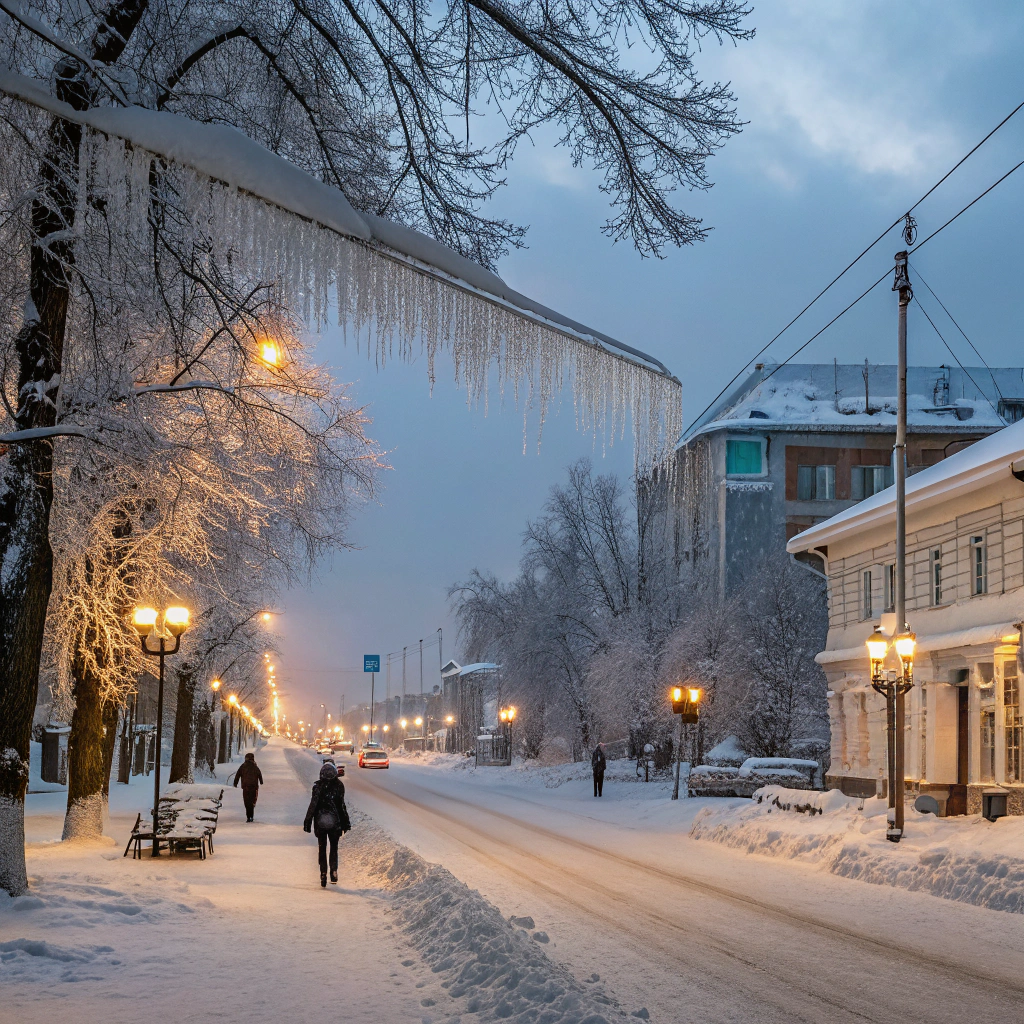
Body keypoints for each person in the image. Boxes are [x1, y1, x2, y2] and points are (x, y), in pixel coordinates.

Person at [303, 762, 351, 887]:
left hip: (320, 823)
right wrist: (345, 823)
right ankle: (333, 871)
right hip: (335, 823)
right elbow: (341, 806)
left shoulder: (318, 786)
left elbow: (313, 805)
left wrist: (308, 821)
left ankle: (323, 873)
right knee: (334, 847)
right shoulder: (339, 786)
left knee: (322, 847)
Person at [233, 751, 264, 822]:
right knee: (252, 801)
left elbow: (237, 775)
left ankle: (248, 816)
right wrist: (261, 781)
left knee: (246, 801)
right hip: (254, 787)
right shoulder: (255, 766)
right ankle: (251, 816)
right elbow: (259, 774)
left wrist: (235, 783)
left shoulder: (243, 766)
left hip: (245, 787)